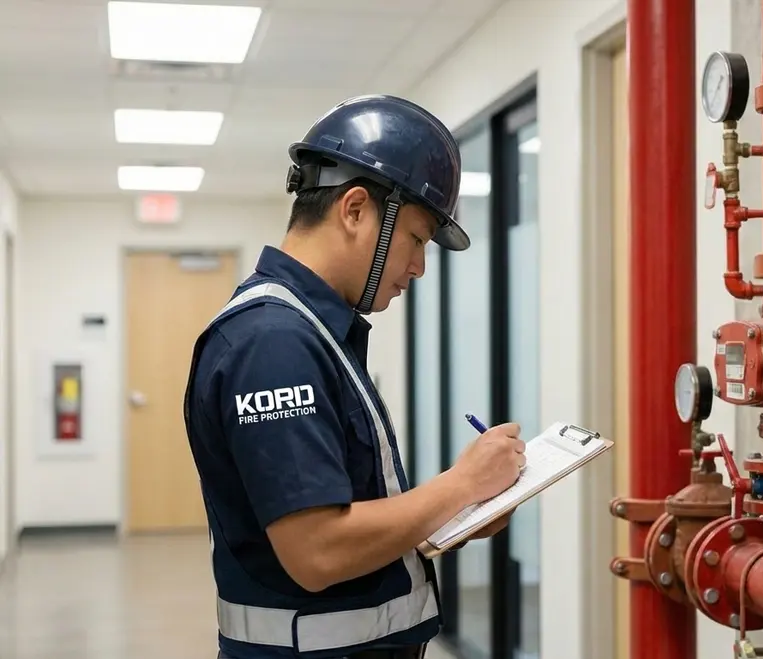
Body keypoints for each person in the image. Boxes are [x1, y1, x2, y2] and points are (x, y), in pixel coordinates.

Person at [182, 95, 526, 659]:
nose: (419, 267)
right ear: (356, 210)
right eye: (416, 239)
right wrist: (461, 484)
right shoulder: (274, 343)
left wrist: (456, 512)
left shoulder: (314, 332)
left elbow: (348, 519)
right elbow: (317, 551)